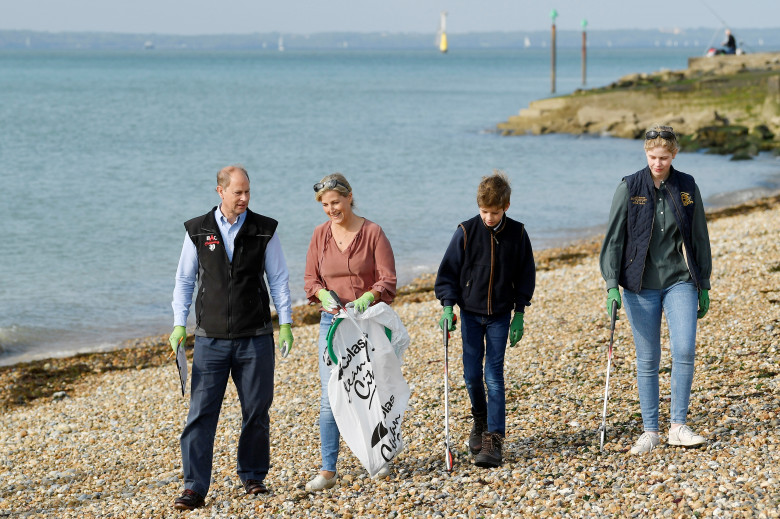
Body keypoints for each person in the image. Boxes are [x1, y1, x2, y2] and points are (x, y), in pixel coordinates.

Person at [169, 165, 294, 510]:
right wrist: (180, 324)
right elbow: (184, 281)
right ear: (220, 191)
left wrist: (286, 323)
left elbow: (279, 280)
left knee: (256, 409)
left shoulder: (264, 230)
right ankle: (194, 486)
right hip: (209, 339)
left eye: (248, 192)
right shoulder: (197, 230)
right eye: (237, 192)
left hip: (255, 336)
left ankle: (253, 475)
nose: (244, 198)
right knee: (201, 412)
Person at [600, 125, 712, 455]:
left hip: (680, 280)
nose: (658, 163)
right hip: (639, 284)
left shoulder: (687, 186)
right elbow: (613, 239)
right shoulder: (629, 186)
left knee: (685, 349)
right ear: (645, 154)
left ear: (674, 154)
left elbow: (700, 235)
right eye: (652, 157)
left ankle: (678, 426)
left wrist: (703, 283)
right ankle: (650, 431)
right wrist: (611, 284)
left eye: (664, 157)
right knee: (647, 359)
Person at [434, 171, 536, 468]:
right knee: (470, 375)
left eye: (494, 211)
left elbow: (525, 275)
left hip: (501, 315)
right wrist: (447, 306)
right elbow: (448, 273)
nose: (488, 217)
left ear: (506, 206)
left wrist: (520, 313)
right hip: (469, 313)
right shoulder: (466, 231)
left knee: (493, 375)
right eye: (484, 211)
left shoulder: (517, 234)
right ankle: (479, 419)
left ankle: (493, 437)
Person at [303, 173, 397, 491]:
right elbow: (310, 280)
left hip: (367, 321)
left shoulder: (373, 232)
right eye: (325, 205)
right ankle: (328, 470)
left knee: (371, 390)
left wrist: (369, 296)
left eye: (336, 202)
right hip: (332, 325)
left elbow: (388, 279)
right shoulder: (319, 235)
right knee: (331, 397)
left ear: (349, 197)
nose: (331, 209)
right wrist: (321, 295)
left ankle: (378, 456)